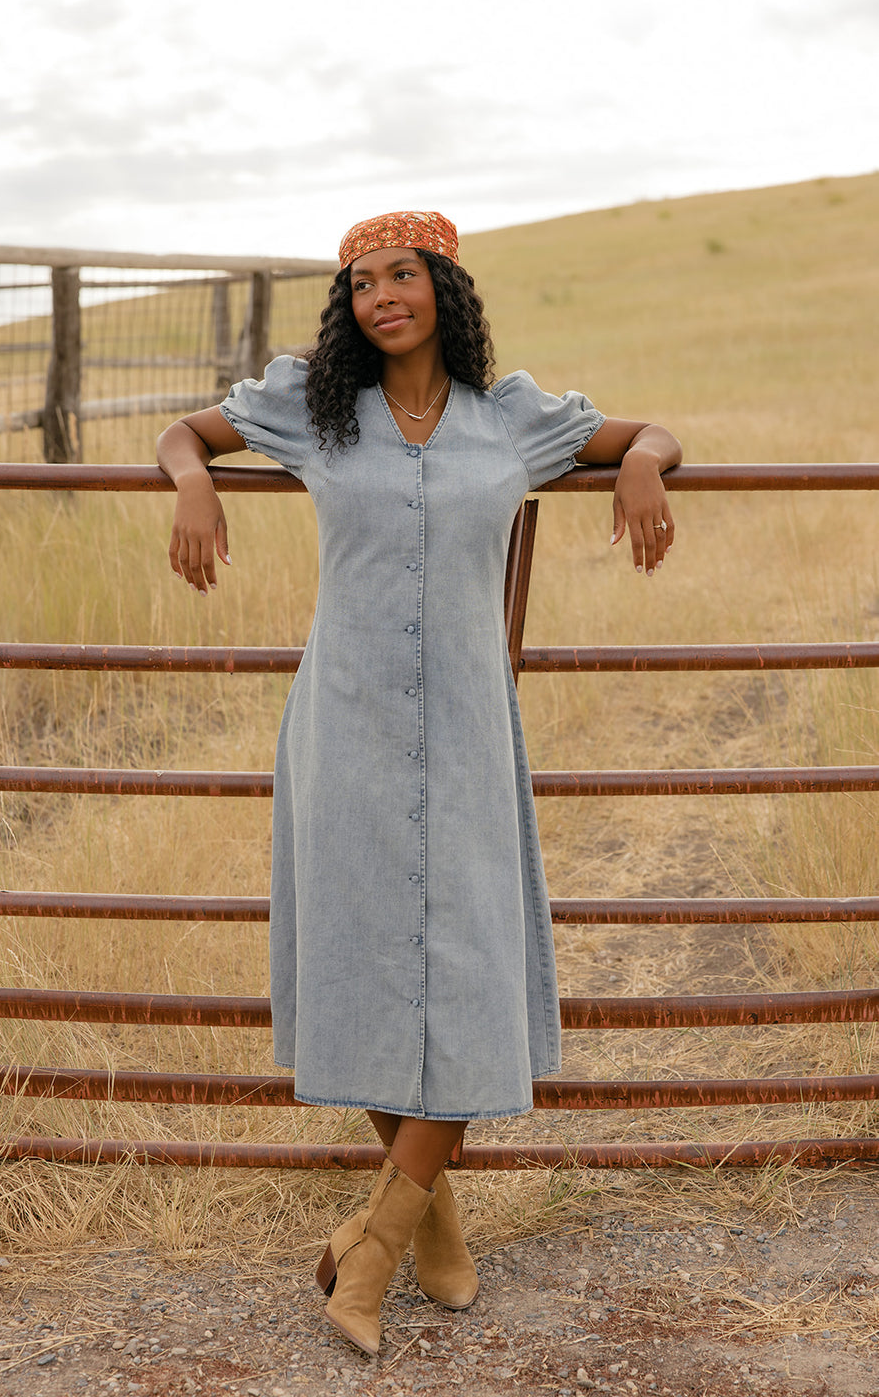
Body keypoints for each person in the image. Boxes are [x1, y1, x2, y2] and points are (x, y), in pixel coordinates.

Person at [157, 210, 681, 1357]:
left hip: (466, 729)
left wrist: (640, 465)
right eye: (360, 282)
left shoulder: (513, 419)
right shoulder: (311, 405)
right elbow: (181, 435)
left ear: (445, 283)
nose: (381, 295)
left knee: (470, 965)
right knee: (360, 952)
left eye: (403, 274)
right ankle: (432, 1219)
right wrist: (194, 485)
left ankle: (377, 1241)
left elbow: (653, 432)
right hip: (342, 718)